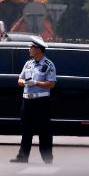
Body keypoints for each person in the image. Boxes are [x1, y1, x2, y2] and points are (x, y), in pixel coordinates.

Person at [10, 36, 56, 164]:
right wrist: (26, 82)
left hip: (41, 102)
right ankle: (22, 157)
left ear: (39, 50)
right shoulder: (28, 64)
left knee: (44, 131)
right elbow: (19, 80)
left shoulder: (48, 65)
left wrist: (36, 83)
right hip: (27, 101)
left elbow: (51, 84)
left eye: (32, 47)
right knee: (26, 130)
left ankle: (47, 158)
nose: (29, 50)